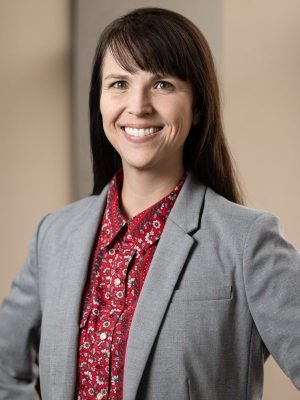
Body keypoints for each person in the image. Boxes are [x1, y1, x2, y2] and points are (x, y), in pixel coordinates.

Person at [0, 7, 299, 400]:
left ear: (197, 108)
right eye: (119, 83)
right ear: (100, 103)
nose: (138, 105)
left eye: (162, 84)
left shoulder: (247, 240)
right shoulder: (54, 235)